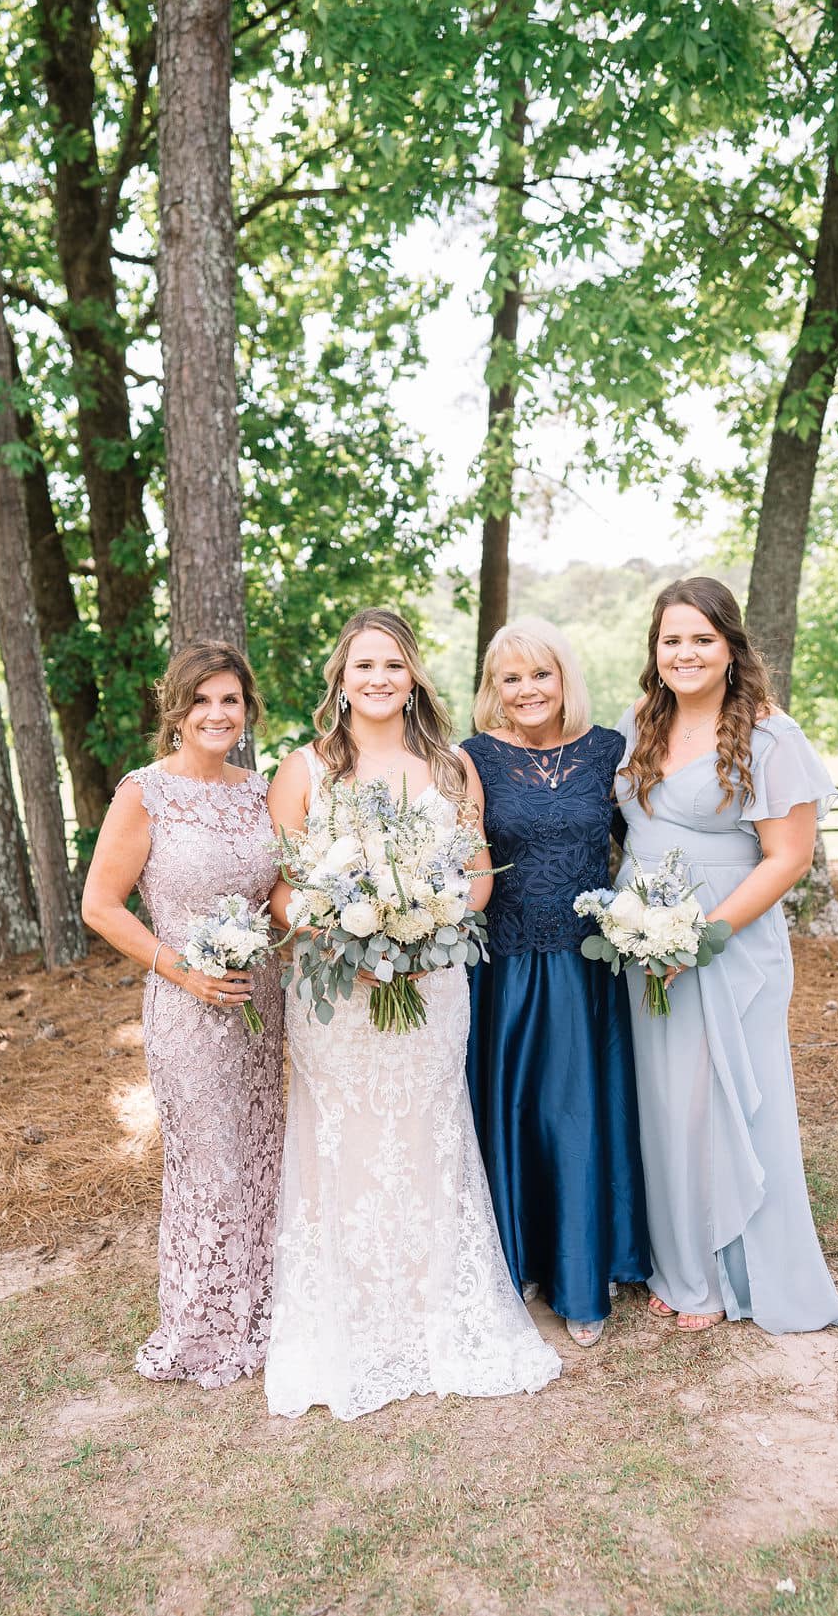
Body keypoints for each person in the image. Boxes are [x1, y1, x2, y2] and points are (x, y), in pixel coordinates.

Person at [264, 607, 561, 1419]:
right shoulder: (303, 768)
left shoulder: (450, 765)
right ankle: (353, 1316)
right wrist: (338, 934)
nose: (379, 678)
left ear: (414, 676)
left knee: (426, 1131)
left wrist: (430, 926)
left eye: (393, 664)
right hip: (335, 991)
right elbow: (283, 888)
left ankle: (435, 1308)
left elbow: (479, 874)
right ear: (341, 677)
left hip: (432, 983)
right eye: (364, 664)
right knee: (345, 1137)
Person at [616, 577, 838, 1334]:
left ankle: (732, 1273)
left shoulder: (770, 735)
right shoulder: (638, 722)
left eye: (702, 638)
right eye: (671, 639)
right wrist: (642, 929)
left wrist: (700, 939)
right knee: (665, 1105)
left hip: (729, 942)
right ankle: (682, 1263)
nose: (684, 653)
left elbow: (788, 858)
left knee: (722, 1103)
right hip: (642, 941)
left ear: (730, 647)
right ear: (655, 650)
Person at [81, 640, 284, 1386]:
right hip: (187, 1010)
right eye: (201, 700)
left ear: (247, 709)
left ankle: (266, 1309)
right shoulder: (145, 793)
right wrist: (183, 970)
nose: (217, 713)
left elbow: (279, 892)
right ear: (176, 709)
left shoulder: (259, 791)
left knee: (262, 1155)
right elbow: (100, 905)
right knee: (209, 1165)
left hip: (262, 1003)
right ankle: (204, 1324)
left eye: (230, 699)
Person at [462, 618, 650, 1349]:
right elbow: (462, 858)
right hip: (505, 967)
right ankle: (522, 1264)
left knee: (576, 1115)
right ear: (493, 688)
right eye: (510, 678)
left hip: (585, 967)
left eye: (540, 673)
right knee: (512, 1112)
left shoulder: (609, 750)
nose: (527, 690)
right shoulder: (474, 757)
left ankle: (583, 1273)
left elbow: (646, 844)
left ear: (565, 676)